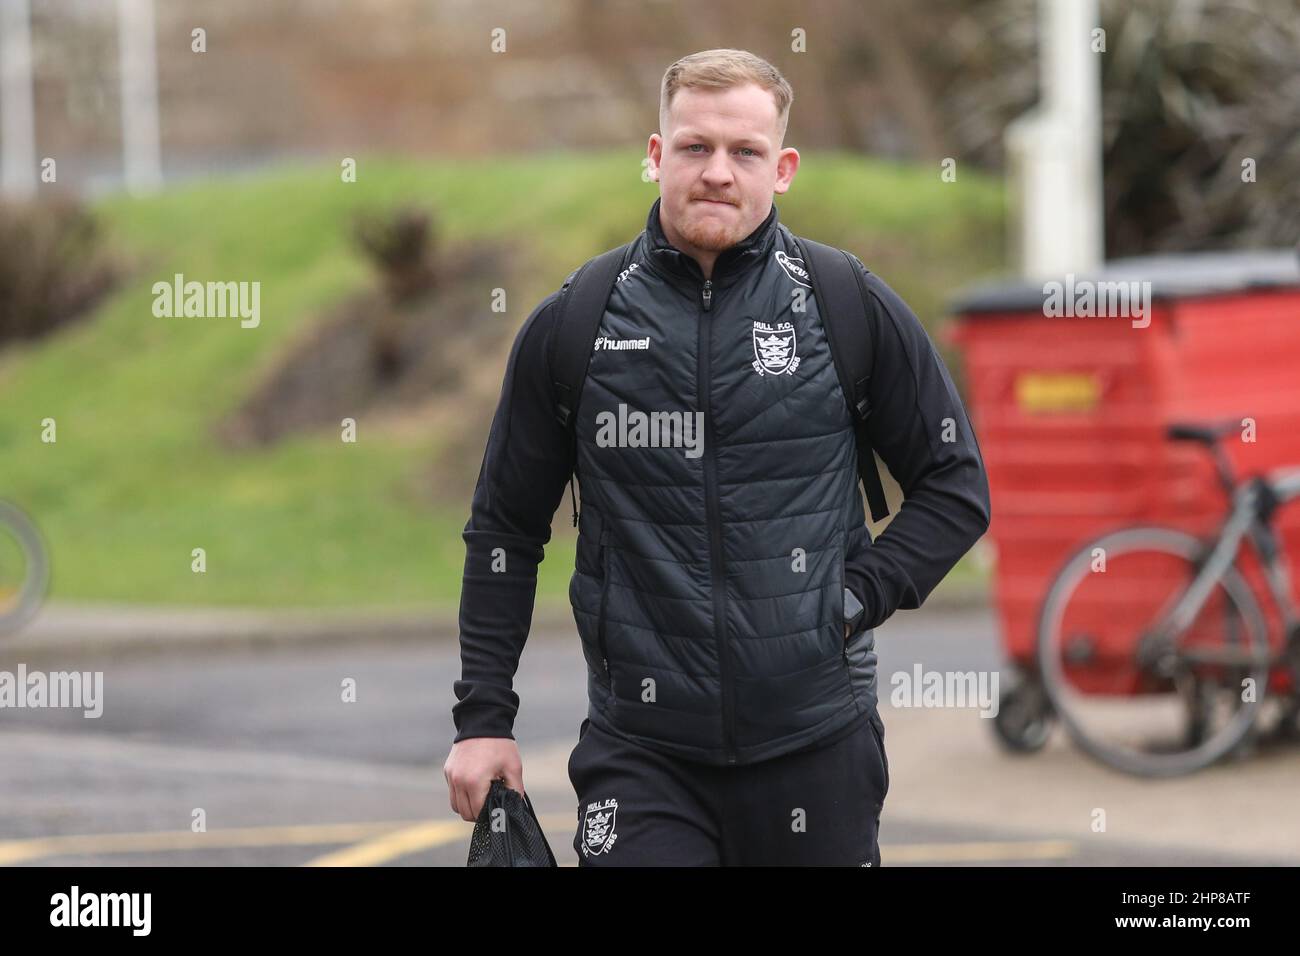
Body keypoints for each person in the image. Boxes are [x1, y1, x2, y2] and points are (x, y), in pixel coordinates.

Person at [444, 48, 991, 866]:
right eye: (695, 148)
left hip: (816, 742)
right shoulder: (577, 322)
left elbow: (956, 484)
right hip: (642, 752)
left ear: (784, 166)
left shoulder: (845, 304)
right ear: (657, 154)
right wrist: (484, 720)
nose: (718, 174)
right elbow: (504, 531)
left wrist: (850, 600)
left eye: (746, 152)